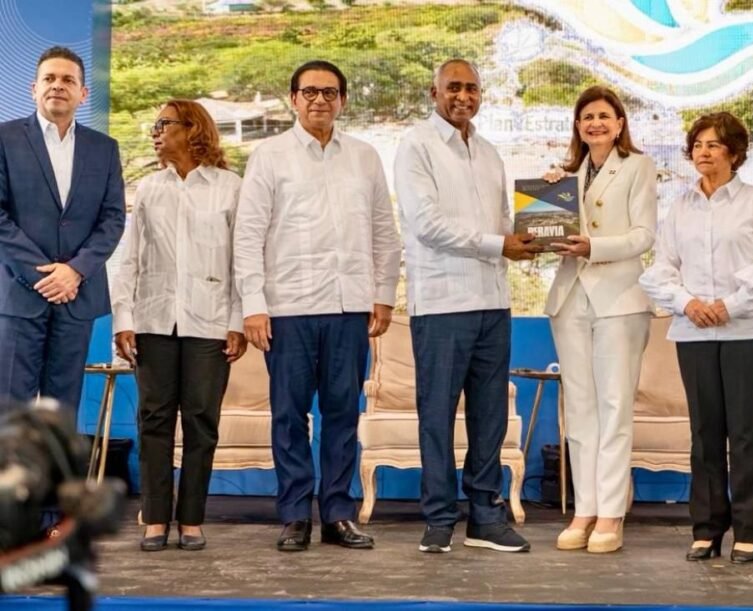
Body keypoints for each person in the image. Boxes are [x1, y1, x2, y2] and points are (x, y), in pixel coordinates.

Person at [234, 60, 401, 553]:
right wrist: (253, 304)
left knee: (342, 414)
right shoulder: (270, 156)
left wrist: (383, 293)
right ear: (293, 99)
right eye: (309, 92)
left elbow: (384, 230)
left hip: (349, 308)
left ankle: (337, 514)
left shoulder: (364, 157)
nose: (319, 101)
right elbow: (248, 234)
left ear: (343, 101)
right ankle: (293, 515)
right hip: (287, 308)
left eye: (330, 93)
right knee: (289, 417)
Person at [394, 58, 538, 554]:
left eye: (472, 88)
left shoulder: (490, 153)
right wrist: (501, 245)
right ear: (433, 93)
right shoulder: (416, 145)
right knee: (437, 415)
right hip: (442, 302)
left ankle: (485, 517)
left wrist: (537, 234)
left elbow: (502, 222)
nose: (463, 96)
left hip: (493, 301)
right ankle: (438, 518)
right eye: (453, 87)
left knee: (489, 416)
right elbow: (426, 224)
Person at [640, 112, 753, 564]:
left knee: (744, 434)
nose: (703, 152)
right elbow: (662, 269)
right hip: (693, 332)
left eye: (713, 145)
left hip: (746, 331)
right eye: (697, 145)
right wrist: (687, 302)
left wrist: (731, 305)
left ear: (735, 153)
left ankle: (747, 531)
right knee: (704, 434)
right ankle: (707, 529)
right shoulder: (681, 206)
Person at [112, 100, 247, 552]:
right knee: (153, 420)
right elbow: (129, 259)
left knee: (201, 422)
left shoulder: (230, 187)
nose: (155, 132)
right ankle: (155, 519)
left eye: (163, 124)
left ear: (192, 129)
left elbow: (242, 260)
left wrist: (237, 320)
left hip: (211, 322)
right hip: (153, 320)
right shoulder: (150, 188)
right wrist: (124, 318)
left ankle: (191, 520)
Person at [542, 85, 656, 553]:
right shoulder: (563, 175)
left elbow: (644, 235)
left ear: (620, 123)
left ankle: (610, 513)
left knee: (614, 408)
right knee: (580, 411)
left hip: (619, 299)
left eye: (604, 116)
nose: (595, 124)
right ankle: (584, 510)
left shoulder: (638, 167)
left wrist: (595, 247)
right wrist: (545, 212)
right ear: (577, 125)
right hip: (570, 299)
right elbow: (548, 234)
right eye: (587, 116)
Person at [0, 46, 125, 413]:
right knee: (12, 415)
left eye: (68, 80)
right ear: (33, 89)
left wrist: (74, 271)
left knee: (62, 412)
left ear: (82, 93)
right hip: (19, 295)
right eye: (49, 78)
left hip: (76, 296)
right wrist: (44, 275)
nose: (58, 85)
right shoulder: (4, 139)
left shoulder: (104, 148)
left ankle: (57, 459)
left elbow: (113, 218)